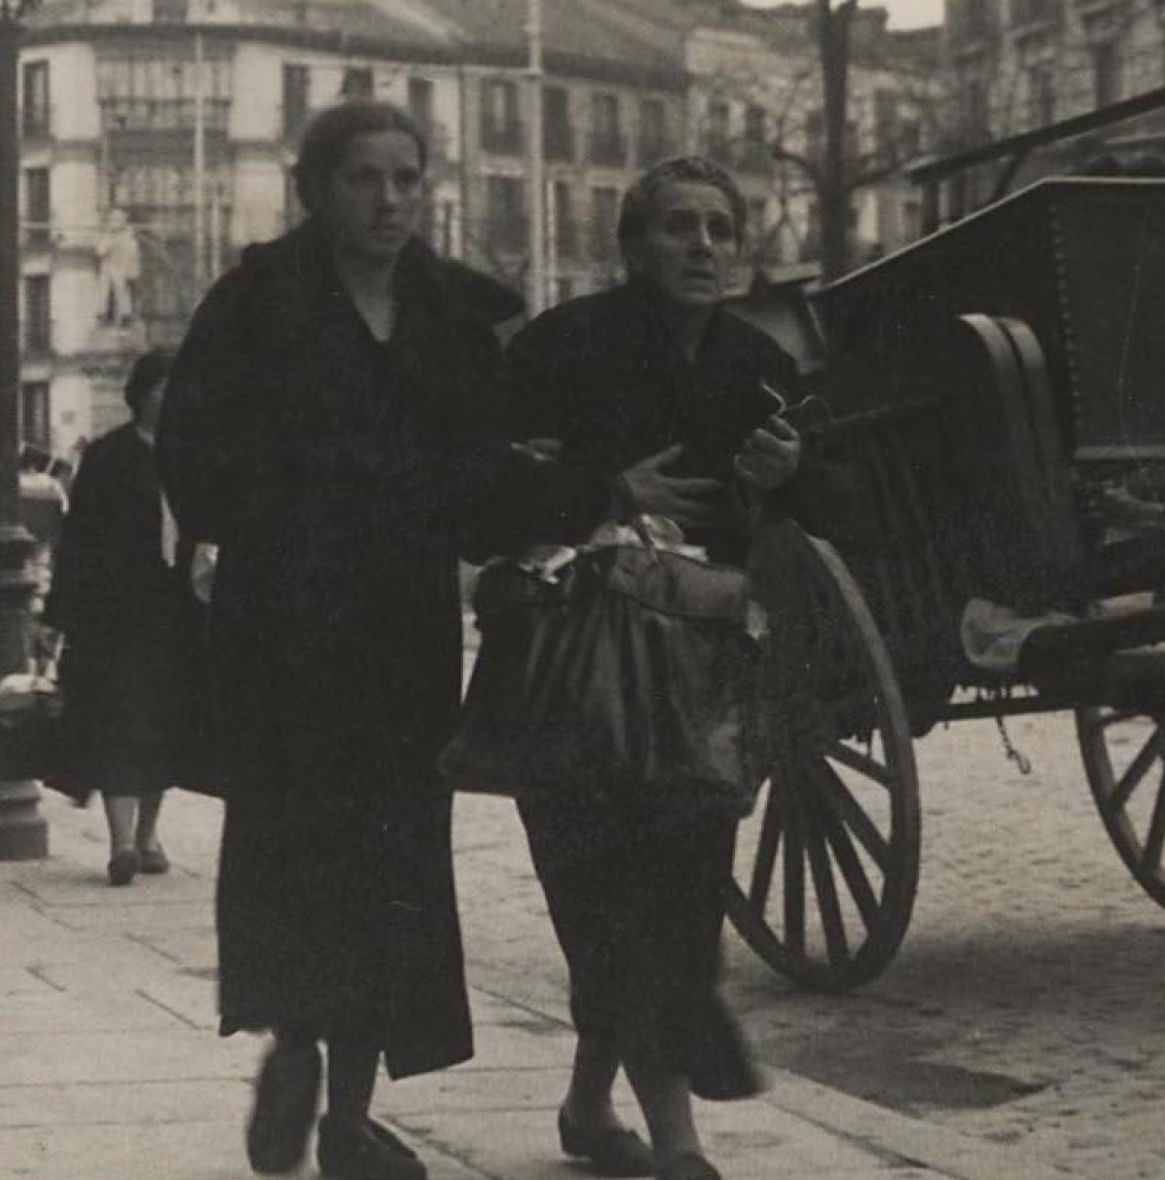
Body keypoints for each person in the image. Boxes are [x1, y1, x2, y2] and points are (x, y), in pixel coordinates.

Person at [156, 100, 602, 1180]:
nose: (390, 199)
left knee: (396, 860)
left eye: (407, 177)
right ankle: (293, 1051)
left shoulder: (450, 315)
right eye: (364, 178)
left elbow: (489, 471)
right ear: (316, 187)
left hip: (401, 635)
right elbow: (195, 465)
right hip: (282, 634)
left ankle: (347, 1114)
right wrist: (313, 502)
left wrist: (572, 497)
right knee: (293, 854)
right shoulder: (254, 303)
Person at [502, 155, 823, 1180]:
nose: (702, 247)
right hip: (574, 664)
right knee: (597, 890)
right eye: (678, 227)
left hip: (699, 673)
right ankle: (646, 1125)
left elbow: (828, 513)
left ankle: (625, 1119)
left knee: (675, 889)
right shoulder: (560, 347)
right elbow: (483, 481)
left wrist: (794, 475)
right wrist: (602, 489)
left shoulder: (758, 365)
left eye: (720, 230)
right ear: (632, 247)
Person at [43, 349, 189, 885]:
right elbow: (77, 538)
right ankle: (122, 844)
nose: (168, 396)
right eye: (160, 386)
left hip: (178, 614)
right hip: (117, 617)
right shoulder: (107, 456)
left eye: (178, 386)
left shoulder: (193, 454)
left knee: (167, 726)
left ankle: (149, 835)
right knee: (123, 723)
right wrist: (60, 613)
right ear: (140, 393)